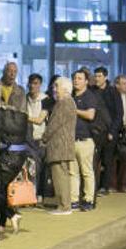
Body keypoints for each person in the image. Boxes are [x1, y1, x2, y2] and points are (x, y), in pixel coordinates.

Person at [0, 80, 28, 233]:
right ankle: (2, 223)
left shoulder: (8, 112)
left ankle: (11, 214)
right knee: (0, 189)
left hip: (7, 157)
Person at [42, 77, 76, 215]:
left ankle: (64, 206)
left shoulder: (64, 103)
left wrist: (44, 138)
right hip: (63, 145)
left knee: (60, 176)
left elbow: (54, 124)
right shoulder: (69, 102)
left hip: (59, 145)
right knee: (63, 175)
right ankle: (64, 204)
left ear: (66, 89)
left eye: (57, 86)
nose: (54, 89)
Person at [70, 70, 99, 211]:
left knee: (87, 172)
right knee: (72, 172)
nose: (76, 81)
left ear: (86, 81)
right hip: (71, 140)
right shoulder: (70, 96)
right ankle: (74, 200)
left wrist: (74, 110)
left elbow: (90, 115)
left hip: (85, 140)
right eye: (75, 78)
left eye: (80, 78)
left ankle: (88, 200)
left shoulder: (89, 96)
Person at [93, 67, 121, 195]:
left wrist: (113, 131)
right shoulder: (92, 91)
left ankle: (105, 187)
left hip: (109, 132)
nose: (97, 79)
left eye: (99, 76)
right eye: (96, 76)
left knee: (107, 160)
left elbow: (119, 113)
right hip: (95, 131)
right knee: (94, 160)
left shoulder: (113, 92)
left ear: (105, 77)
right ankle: (93, 187)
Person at [25, 73, 49, 200]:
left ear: (40, 85)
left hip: (41, 138)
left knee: (41, 168)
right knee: (31, 167)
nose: (33, 86)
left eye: (36, 83)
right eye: (31, 83)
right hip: (28, 139)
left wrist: (24, 117)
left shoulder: (46, 99)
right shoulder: (25, 98)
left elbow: (40, 120)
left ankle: (41, 193)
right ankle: (31, 194)